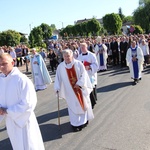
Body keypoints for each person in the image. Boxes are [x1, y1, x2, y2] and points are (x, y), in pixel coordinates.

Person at [0, 53, 45, 150]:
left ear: (12, 62)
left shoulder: (22, 79)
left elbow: (29, 103)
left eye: (4, 64)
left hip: (24, 120)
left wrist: (8, 111)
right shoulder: (1, 80)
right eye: (0, 64)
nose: (1, 67)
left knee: (29, 144)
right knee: (17, 145)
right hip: (10, 120)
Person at [54, 49, 94, 132]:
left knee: (82, 104)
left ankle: (84, 121)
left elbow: (84, 75)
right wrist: (57, 87)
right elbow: (57, 78)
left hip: (79, 89)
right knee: (72, 106)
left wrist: (79, 83)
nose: (67, 58)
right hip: (69, 91)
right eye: (65, 56)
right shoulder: (61, 66)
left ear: (72, 55)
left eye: (68, 56)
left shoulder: (78, 64)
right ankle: (75, 124)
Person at [77, 42, 98, 109]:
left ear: (87, 47)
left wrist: (89, 67)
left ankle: (93, 102)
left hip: (90, 74)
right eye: (81, 47)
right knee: (86, 88)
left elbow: (96, 65)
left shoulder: (92, 55)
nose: (82, 48)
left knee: (91, 87)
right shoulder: (79, 57)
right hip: (83, 75)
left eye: (83, 47)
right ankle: (87, 102)